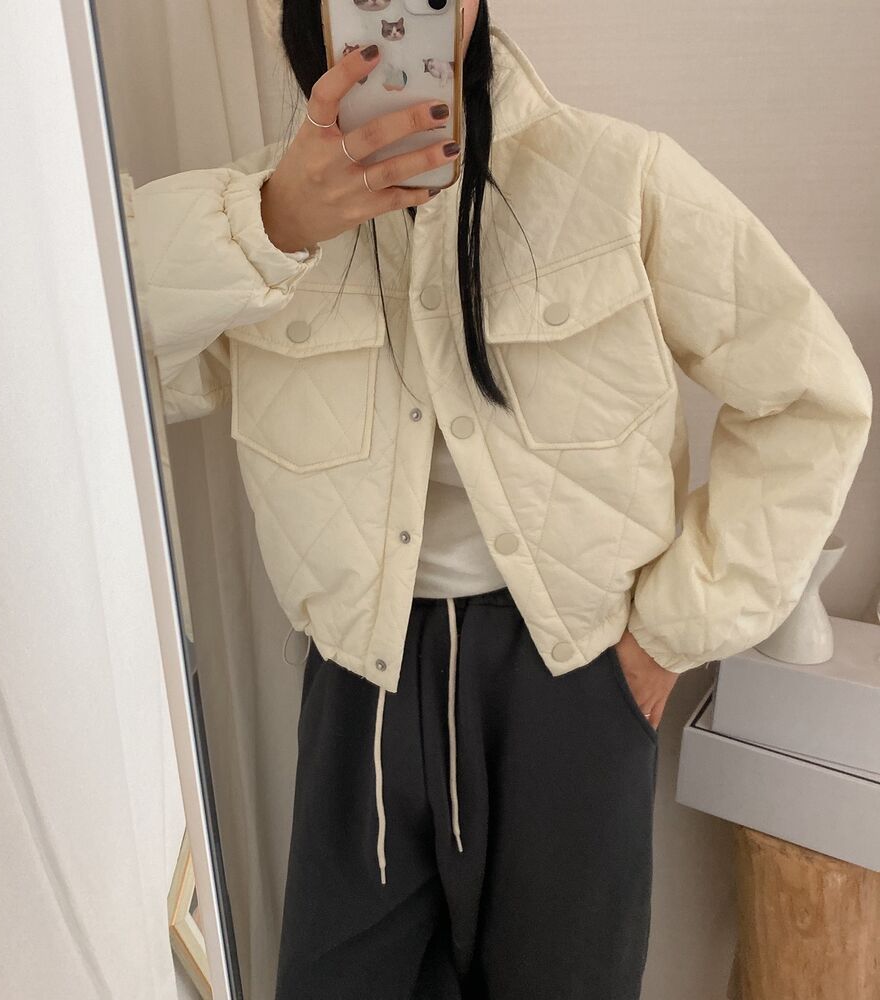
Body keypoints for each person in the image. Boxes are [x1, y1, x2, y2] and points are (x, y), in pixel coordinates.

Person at [126, 2, 873, 996]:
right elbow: (88, 343)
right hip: (360, 680)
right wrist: (267, 225)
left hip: (572, 671)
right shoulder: (258, 220)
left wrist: (669, 635)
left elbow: (810, 396)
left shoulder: (616, 178)